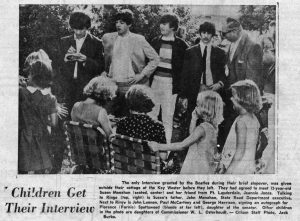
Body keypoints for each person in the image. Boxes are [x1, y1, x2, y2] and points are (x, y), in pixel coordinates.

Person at [148, 90, 224, 174]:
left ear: (204, 108)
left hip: (198, 168)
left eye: (198, 105)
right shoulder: (211, 127)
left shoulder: (202, 128)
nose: (195, 108)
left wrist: (158, 146)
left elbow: (182, 145)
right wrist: (194, 118)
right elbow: (193, 138)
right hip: (205, 166)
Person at [102, 9, 159, 117]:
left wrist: (141, 75)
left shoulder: (138, 39)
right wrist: (104, 72)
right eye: (117, 22)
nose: (118, 25)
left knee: (132, 118)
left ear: (129, 24)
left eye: (122, 23)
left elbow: (155, 59)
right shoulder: (109, 38)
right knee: (111, 117)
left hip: (132, 86)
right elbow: (104, 58)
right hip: (113, 86)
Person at [220, 17, 263, 149]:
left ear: (236, 30)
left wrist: (240, 102)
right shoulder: (231, 43)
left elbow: (251, 82)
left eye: (225, 33)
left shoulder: (252, 46)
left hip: (243, 102)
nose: (223, 36)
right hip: (232, 100)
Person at [150, 14, 189, 143]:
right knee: (151, 115)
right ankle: (150, 147)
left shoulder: (181, 45)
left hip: (170, 85)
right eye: (161, 23)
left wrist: (181, 90)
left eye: (165, 24)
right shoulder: (155, 41)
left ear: (173, 27)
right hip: (154, 82)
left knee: (167, 117)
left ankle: (165, 151)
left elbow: (184, 70)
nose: (161, 26)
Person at [180, 21, 226, 124]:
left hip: (212, 91)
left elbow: (224, 73)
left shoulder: (220, 53)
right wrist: (184, 96)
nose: (206, 36)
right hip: (194, 91)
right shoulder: (190, 52)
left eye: (209, 33)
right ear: (200, 33)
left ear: (212, 35)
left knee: (211, 121)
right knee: (192, 120)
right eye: (203, 33)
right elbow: (185, 75)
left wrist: (219, 84)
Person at [19, 55, 58, 174]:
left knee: (22, 167)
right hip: (42, 136)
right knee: (41, 167)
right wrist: (43, 121)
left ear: (32, 75)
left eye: (29, 74)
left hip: (24, 135)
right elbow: (53, 123)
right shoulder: (51, 98)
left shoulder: (21, 93)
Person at [60, 11, 105, 111]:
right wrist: (66, 58)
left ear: (87, 27)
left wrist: (86, 60)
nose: (78, 32)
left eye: (81, 29)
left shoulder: (96, 43)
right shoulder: (64, 41)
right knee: (66, 117)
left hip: (87, 88)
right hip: (68, 87)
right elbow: (57, 65)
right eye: (75, 29)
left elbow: (101, 67)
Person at [218, 80, 262, 174]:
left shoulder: (241, 122)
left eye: (233, 96)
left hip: (237, 168)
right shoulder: (253, 119)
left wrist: (228, 173)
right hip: (248, 167)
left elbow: (239, 153)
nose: (230, 99)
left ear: (242, 99)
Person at [116, 85, 167, 161]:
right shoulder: (157, 126)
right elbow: (163, 157)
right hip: (149, 168)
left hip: (128, 165)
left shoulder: (121, 123)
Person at [260, 20, 276, 94]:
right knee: (266, 84)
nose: (274, 28)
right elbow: (259, 51)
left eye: (275, 26)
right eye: (272, 26)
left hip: (275, 65)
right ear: (269, 27)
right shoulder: (263, 37)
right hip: (266, 64)